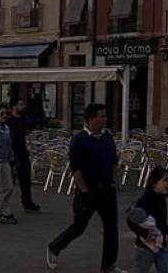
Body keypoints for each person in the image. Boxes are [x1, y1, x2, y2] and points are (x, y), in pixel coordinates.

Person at [47, 104, 125, 273]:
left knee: (112, 228)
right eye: (102, 116)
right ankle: (54, 247)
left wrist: (114, 181)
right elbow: (76, 169)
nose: (105, 119)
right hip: (88, 190)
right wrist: (83, 190)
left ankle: (108, 265)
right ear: (91, 118)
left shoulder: (107, 137)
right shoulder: (79, 140)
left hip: (106, 190)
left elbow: (113, 161)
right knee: (79, 226)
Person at [127, 168, 168, 273]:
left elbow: (160, 223)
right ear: (154, 183)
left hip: (160, 246)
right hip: (145, 249)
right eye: (165, 180)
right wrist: (144, 233)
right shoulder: (146, 200)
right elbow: (130, 221)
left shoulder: (161, 199)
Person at [8, 99, 40, 213]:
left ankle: (27, 202)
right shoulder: (9, 121)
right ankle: (2, 203)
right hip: (11, 152)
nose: (23, 106)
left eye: (24, 104)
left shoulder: (23, 119)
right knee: (8, 180)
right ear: (14, 106)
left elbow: (32, 125)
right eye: (20, 104)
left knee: (25, 179)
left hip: (22, 152)